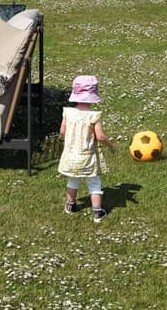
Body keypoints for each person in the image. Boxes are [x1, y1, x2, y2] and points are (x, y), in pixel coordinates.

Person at [56, 74, 113, 222]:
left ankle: (70, 205)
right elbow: (100, 137)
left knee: (73, 181)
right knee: (94, 183)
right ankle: (98, 213)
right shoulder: (93, 116)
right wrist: (111, 146)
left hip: (71, 155)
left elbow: (62, 132)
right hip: (88, 158)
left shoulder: (68, 113)